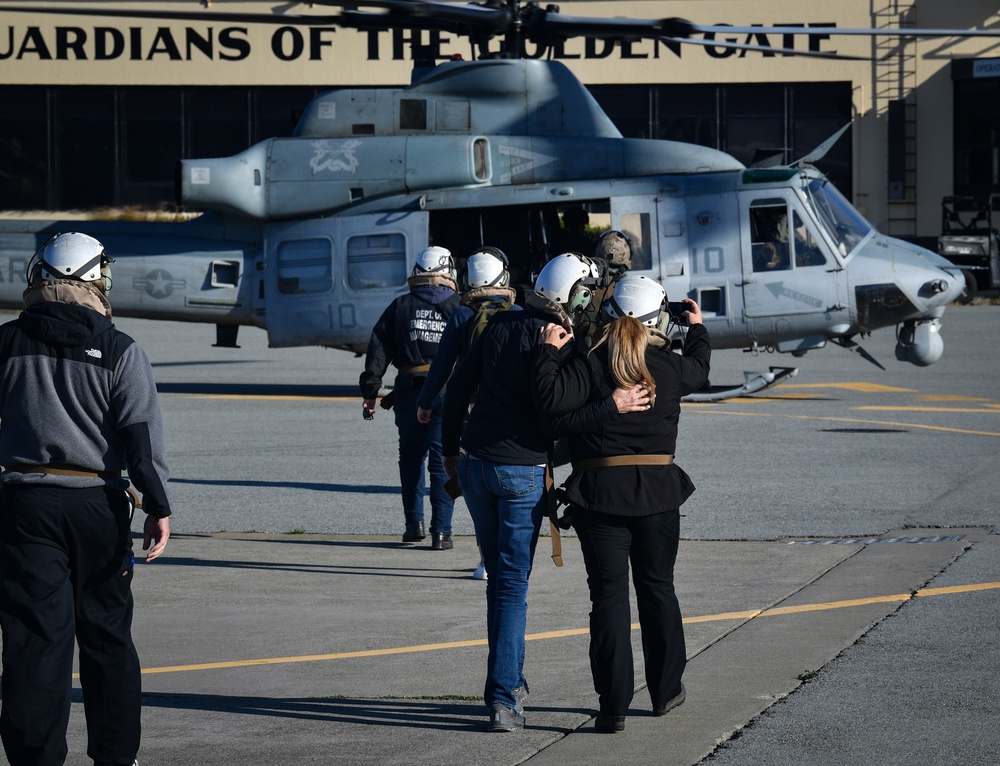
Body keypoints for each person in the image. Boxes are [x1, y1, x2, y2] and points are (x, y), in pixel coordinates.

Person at [441, 251, 650, 733]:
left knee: (500, 582)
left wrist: (452, 453)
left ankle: (508, 677)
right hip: (520, 473)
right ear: (574, 293)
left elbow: (456, 391)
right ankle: (503, 697)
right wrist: (614, 405)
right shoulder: (565, 345)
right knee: (512, 586)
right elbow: (559, 419)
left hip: (475, 467)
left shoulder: (497, 326)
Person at [0, 232, 172, 766]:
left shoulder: (5, 344)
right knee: (107, 637)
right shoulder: (121, 350)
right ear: (98, 280)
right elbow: (141, 438)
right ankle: (117, 757)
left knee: (33, 642)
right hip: (98, 505)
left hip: (25, 507)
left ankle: (34, 758)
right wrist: (158, 506)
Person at [530, 274, 711, 734]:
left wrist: (549, 352)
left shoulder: (588, 364)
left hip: (599, 498)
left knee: (608, 599)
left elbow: (549, 406)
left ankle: (612, 707)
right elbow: (700, 366)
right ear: (657, 320)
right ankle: (666, 691)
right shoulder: (670, 370)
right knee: (658, 589)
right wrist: (696, 326)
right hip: (659, 497)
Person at [416, 246, 518, 576]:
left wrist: (425, 401)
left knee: (480, 487)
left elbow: (442, 367)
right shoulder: (518, 312)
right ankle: (509, 557)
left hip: (477, 415)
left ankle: (486, 560)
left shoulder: (462, 316)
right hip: (516, 416)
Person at [360, 245, 461, 549]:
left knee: (411, 459)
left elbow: (378, 349)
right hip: (448, 392)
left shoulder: (399, 306)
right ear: (448, 271)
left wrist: (370, 392)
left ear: (418, 271)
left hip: (408, 392)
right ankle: (441, 532)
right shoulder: (459, 306)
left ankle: (412, 525)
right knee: (443, 461)